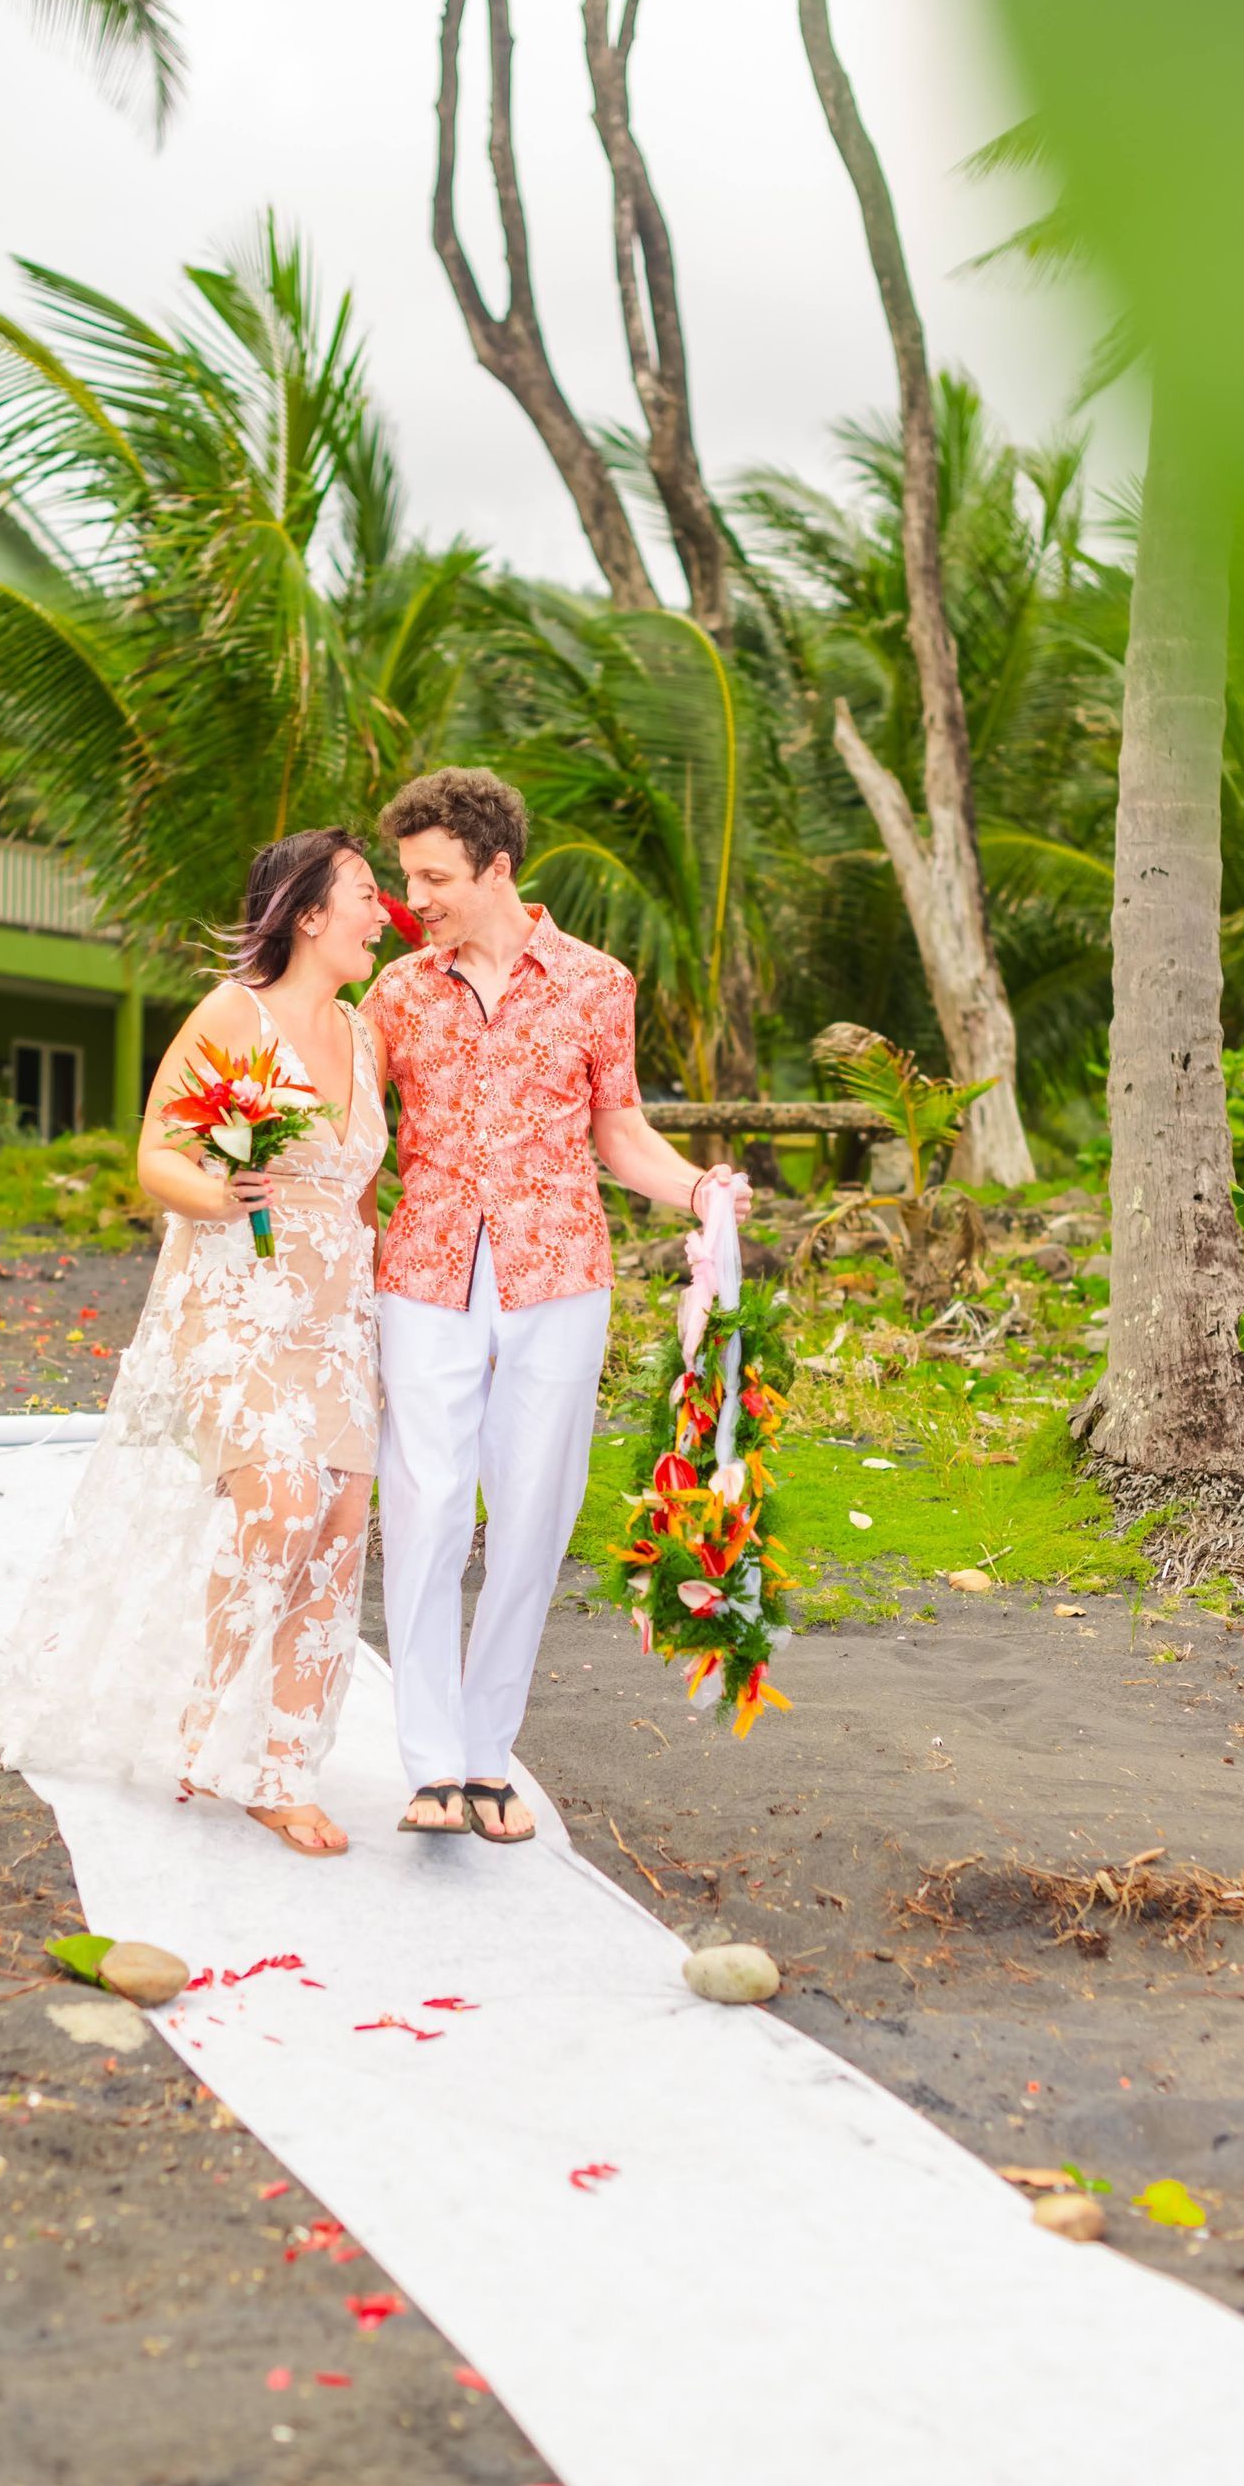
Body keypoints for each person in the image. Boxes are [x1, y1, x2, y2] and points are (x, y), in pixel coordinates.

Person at [0, 828, 390, 1857]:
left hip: (339, 1314)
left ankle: (283, 1767)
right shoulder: (236, 1014)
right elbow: (156, 1156)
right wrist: (224, 1193)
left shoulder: (365, 1032)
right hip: (240, 1298)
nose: (382, 909)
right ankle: (204, 1719)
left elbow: (363, 1184)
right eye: (364, 891)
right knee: (279, 1499)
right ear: (310, 913)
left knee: (343, 1522)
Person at [363, 766, 750, 1845]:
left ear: (496, 867)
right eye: (407, 878)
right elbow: (356, 1138)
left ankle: (490, 1760)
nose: (417, 898)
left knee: (532, 1514)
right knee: (428, 1509)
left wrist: (699, 1189)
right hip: (426, 1268)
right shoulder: (394, 995)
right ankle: (430, 1763)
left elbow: (618, 1132)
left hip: (558, 1271)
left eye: (434, 877)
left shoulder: (597, 983)